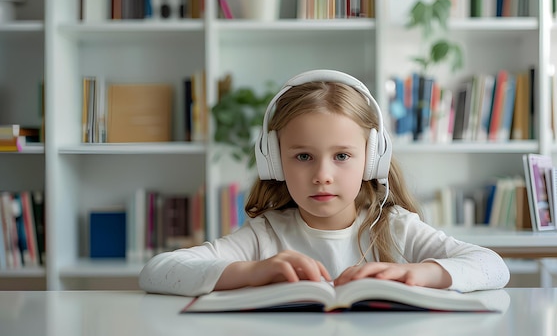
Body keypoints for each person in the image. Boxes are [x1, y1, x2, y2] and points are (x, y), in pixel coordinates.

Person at [139, 69, 510, 297]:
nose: (322, 174)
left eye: (342, 156)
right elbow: (157, 271)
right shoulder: (264, 235)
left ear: (372, 158)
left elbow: (493, 266)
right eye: (303, 156)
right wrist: (249, 271)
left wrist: (420, 271)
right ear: (274, 160)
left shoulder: (395, 228)